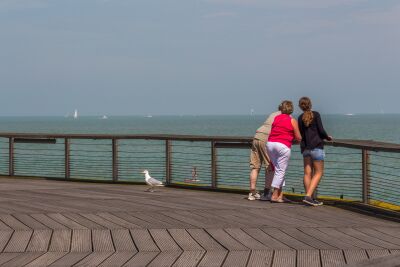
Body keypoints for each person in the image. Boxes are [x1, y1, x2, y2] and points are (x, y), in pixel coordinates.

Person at [298, 97, 332, 206]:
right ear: (310, 104)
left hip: (306, 148)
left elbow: (301, 134)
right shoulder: (316, 114)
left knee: (307, 173)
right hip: (316, 147)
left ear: (300, 106)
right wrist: (327, 137)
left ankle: (310, 198)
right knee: (319, 173)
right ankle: (308, 196)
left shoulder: (300, 118)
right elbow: (321, 131)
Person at [267, 100, 302, 202]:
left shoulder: (276, 118)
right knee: (280, 171)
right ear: (291, 109)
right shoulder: (292, 120)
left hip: (270, 144)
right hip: (283, 145)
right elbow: (299, 137)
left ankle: (280, 195)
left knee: (277, 170)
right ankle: (274, 195)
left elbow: (273, 131)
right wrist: (292, 138)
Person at [248, 106, 282, 201]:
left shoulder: (273, 114)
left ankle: (252, 192)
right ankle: (267, 192)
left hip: (257, 136)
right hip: (266, 138)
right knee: (269, 166)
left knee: (255, 166)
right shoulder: (285, 116)